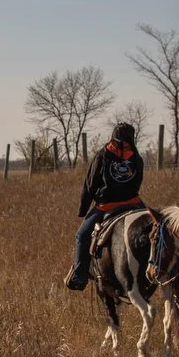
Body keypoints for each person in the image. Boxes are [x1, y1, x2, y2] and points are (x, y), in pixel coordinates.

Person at [65, 122, 145, 290]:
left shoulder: (103, 155)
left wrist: (83, 209)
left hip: (106, 206)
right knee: (155, 227)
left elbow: (90, 184)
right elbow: (137, 182)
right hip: (134, 203)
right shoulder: (136, 158)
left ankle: (79, 276)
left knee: (82, 235)